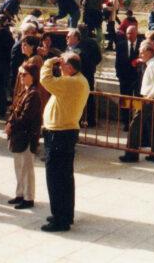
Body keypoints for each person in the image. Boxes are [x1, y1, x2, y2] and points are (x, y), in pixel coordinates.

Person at [39, 52, 90, 232]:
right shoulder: (78, 80)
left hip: (59, 134)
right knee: (65, 177)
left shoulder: (72, 82)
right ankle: (65, 214)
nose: (59, 67)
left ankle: (60, 219)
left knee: (55, 178)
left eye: (62, 65)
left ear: (69, 67)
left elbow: (45, 80)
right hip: (64, 132)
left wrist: (48, 62)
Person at [6, 63, 43, 209]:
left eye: (24, 75)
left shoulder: (34, 94)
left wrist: (11, 124)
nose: (21, 77)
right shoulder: (25, 91)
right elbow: (15, 111)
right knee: (19, 167)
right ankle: (19, 194)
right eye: (20, 74)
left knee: (27, 168)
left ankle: (28, 198)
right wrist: (10, 122)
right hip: (18, 135)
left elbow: (26, 117)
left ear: (32, 77)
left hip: (27, 136)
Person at [120, 41, 154, 163]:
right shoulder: (153, 64)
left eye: (142, 52)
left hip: (149, 99)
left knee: (134, 125)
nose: (140, 54)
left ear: (149, 52)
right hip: (152, 99)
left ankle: (132, 154)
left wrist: (148, 98)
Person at [67, 26, 101, 128]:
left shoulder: (77, 48)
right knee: (89, 96)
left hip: (80, 74)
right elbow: (98, 57)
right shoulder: (93, 42)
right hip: (89, 73)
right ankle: (91, 120)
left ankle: (79, 119)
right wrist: (92, 65)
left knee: (78, 97)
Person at [115, 26, 141, 129]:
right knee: (125, 101)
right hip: (125, 78)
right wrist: (119, 75)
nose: (129, 36)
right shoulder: (120, 45)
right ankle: (126, 122)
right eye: (128, 34)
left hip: (137, 78)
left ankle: (138, 123)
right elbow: (117, 62)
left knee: (138, 101)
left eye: (131, 33)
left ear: (136, 33)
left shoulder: (141, 45)